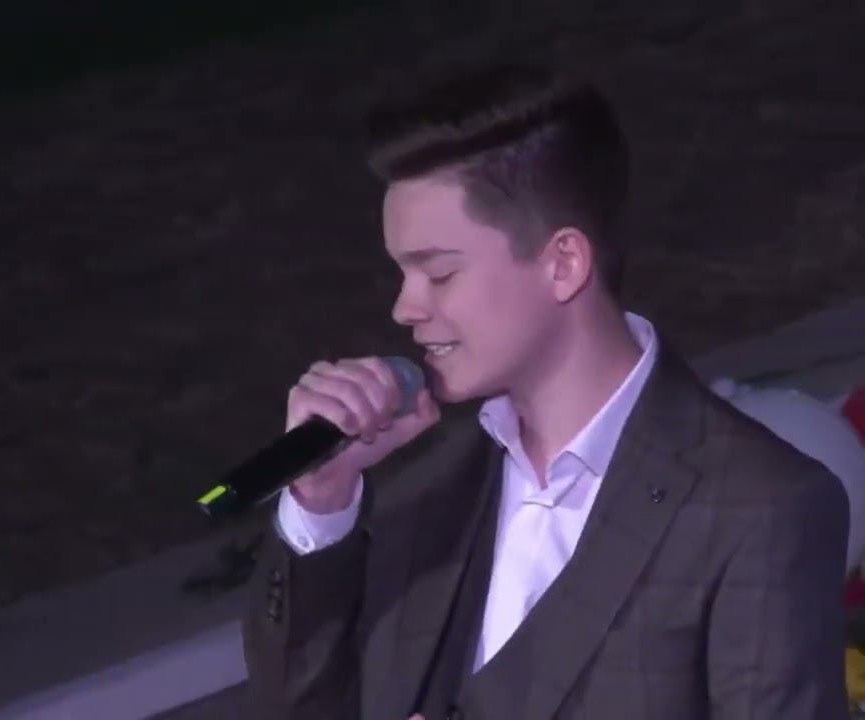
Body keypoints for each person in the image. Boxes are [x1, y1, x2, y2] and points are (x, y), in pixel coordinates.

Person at [241, 63, 849, 720]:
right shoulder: (421, 491)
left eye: (438, 274)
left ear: (563, 264)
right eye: (401, 273)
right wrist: (323, 499)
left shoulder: (756, 507)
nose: (404, 308)